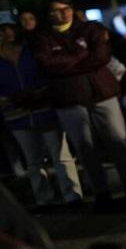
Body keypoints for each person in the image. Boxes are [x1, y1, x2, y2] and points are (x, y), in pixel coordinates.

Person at [31, 0, 126, 212]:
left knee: (117, 141)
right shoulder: (43, 38)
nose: (63, 13)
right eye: (56, 10)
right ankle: (101, 193)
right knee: (85, 148)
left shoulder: (91, 29)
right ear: (48, 15)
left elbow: (101, 56)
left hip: (102, 92)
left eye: (66, 8)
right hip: (69, 98)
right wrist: (82, 57)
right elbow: (47, 64)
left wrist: (67, 63)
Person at [0, 20, 83, 208]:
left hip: (44, 109)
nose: (6, 35)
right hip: (16, 115)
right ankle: (44, 199)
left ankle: (72, 195)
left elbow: (48, 75)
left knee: (60, 154)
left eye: (10, 30)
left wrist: (38, 93)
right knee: (33, 161)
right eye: (3, 32)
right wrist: (12, 98)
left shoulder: (32, 53)